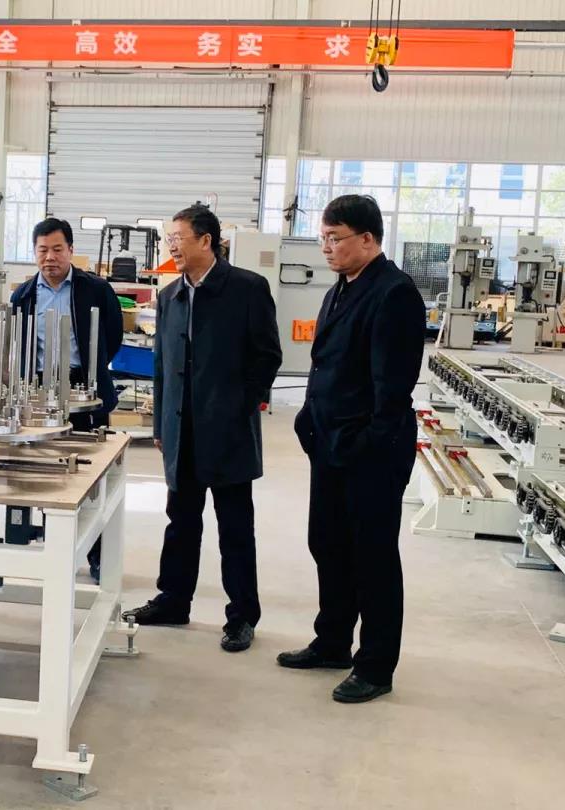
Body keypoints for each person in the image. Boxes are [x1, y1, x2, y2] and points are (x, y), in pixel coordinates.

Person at [279, 195, 424, 703]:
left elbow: (393, 388)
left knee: (373, 557)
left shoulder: (394, 294)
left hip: (371, 452)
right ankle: (333, 642)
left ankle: (376, 666)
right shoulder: (341, 287)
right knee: (329, 544)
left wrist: (366, 443)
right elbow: (326, 363)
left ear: (367, 239)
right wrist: (308, 416)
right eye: (323, 237)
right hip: (330, 443)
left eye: (334, 238)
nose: (326, 247)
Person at [123, 204, 282, 653]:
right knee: (180, 520)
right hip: (181, 429)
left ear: (206, 240)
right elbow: (161, 365)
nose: (171, 246)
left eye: (178, 238)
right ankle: (174, 600)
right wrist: (161, 423)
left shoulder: (247, 289)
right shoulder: (170, 296)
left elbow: (267, 356)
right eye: (169, 239)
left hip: (228, 431)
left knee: (235, 527)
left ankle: (242, 615)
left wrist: (238, 408)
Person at [10, 218, 124, 581]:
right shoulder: (23, 295)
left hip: (85, 388)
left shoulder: (96, 289)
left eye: (57, 249)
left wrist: (92, 374)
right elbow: (19, 346)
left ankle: (98, 554)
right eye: (42, 250)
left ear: (71, 250)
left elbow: (113, 336)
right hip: (41, 391)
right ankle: (56, 550)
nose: (50, 257)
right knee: (48, 472)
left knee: (91, 474)